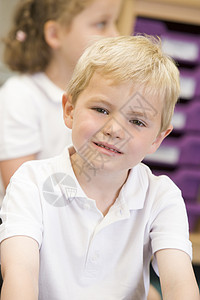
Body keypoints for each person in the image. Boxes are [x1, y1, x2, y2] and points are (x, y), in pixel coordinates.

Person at [1, 35, 199, 300]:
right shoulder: (32, 183)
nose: (114, 130)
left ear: (157, 139)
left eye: (137, 122)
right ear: (70, 109)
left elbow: (179, 285)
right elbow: (19, 277)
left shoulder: (162, 198)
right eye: (101, 110)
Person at [0, 0, 122, 204]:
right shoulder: (19, 96)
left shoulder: (106, 97)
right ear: (55, 34)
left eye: (114, 22)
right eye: (101, 24)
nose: (116, 36)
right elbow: (21, 193)